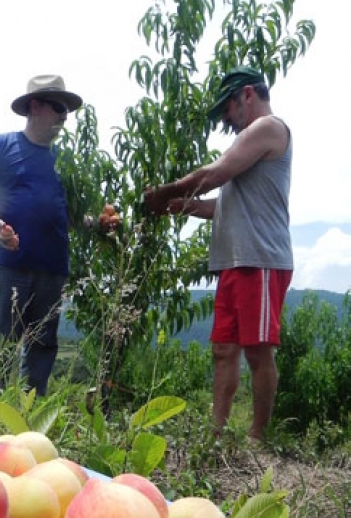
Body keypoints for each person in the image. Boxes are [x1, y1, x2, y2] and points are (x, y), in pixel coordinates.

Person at [144, 66, 293, 441]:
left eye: (226, 108)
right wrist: (182, 205)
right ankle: (216, 431)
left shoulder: (268, 128)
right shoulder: (249, 142)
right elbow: (223, 205)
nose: (225, 119)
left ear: (246, 95)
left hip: (259, 258)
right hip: (235, 261)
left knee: (258, 351)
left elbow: (215, 173)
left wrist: (165, 191)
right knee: (224, 350)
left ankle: (258, 436)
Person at [0, 74, 92, 396]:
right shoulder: (1, 145)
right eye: (58, 107)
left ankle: (30, 417)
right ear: (35, 107)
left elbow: (72, 217)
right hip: (10, 265)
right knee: (1, 344)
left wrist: (97, 223)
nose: (64, 116)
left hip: (53, 268)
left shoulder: (65, 161)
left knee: (43, 344)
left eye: (66, 109)